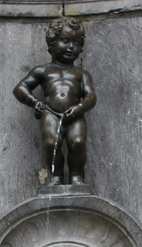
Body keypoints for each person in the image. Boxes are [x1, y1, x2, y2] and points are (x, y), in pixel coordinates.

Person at [13, 16, 96, 185]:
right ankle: (56, 176)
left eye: (76, 43)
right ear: (52, 43)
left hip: (75, 115)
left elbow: (91, 96)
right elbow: (20, 88)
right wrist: (34, 102)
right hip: (50, 113)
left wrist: (80, 108)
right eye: (65, 41)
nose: (71, 47)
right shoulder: (43, 71)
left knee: (78, 142)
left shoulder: (81, 74)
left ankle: (76, 176)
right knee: (52, 143)